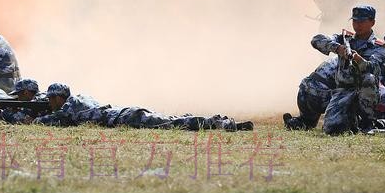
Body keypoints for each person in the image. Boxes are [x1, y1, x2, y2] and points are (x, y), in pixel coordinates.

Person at [33, 83, 253, 131]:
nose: (50, 104)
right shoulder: (80, 98)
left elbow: (51, 121)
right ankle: (226, 122)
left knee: (172, 123)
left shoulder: (71, 106)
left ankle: (217, 122)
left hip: (127, 118)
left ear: (59, 98)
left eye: (52, 100)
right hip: (127, 114)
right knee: (171, 120)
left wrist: (32, 119)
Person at [311, 5, 385, 134]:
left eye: (362, 21)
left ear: (372, 22)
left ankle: (368, 122)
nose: (357, 25)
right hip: (343, 90)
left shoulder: (378, 46)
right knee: (331, 129)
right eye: (355, 21)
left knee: (369, 78)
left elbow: (374, 68)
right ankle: (352, 121)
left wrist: (359, 60)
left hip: (365, 91)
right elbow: (316, 40)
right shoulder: (344, 39)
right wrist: (337, 48)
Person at [283, 56, 385, 131]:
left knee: (307, 123)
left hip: (304, 94)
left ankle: (295, 122)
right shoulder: (367, 72)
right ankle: (336, 123)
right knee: (356, 104)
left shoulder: (344, 57)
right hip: (323, 96)